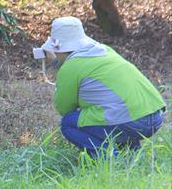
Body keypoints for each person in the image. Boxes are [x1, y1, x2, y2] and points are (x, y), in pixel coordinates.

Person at [40, 16, 166, 158]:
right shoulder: (104, 50)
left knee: (68, 123)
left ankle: (112, 158)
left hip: (132, 122)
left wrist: (57, 64)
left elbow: (64, 108)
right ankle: (133, 155)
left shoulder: (70, 67)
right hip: (154, 116)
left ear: (59, 49)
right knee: (112, 112)